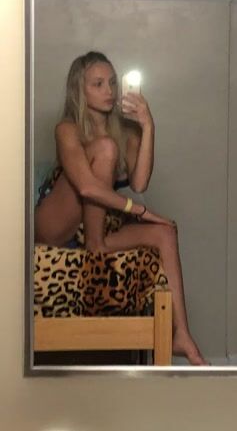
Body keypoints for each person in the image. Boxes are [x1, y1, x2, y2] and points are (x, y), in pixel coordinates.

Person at [34, 51, 207, 366]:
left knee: (165, 233)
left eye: (113, 83)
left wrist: (148, 125)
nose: (109, 91)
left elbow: (140, 183)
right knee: (105, 148)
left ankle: (182, 334)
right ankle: (97, 244)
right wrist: (142, 212)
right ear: (80, 91)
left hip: (94, 228)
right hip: (56, 223)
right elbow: (86, 188)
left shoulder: (124, 131)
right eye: (98, 84)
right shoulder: (67, 129)